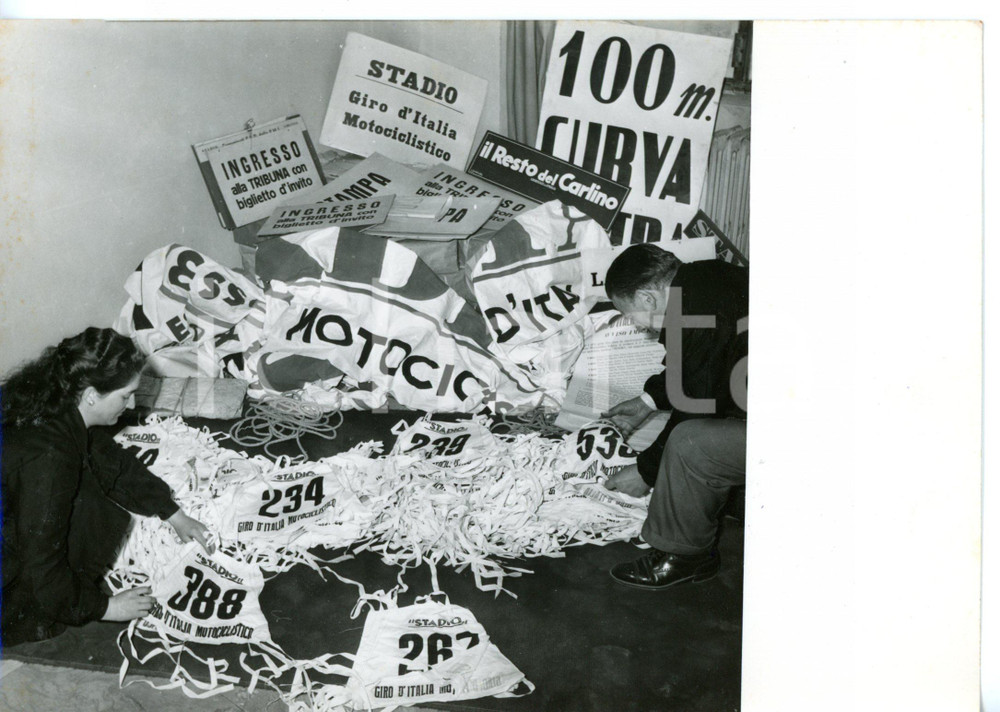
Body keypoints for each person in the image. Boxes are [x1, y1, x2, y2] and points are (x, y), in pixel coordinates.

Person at [1, 327, 213, 646]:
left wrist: (171, 512)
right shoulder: (50, 460)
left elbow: (110, 460)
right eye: (125, 395)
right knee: (89, 515)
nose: (129, 405)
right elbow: (41, 568)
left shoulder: (57, 401)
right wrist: (107, 607)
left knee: (90, 488)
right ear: (91, 395)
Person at [602, 245, 748, 590]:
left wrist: (645, 470)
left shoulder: (693, 311)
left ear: (647, 298)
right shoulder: (707, 279)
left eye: (630, 314)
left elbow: (696, 407)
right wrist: (646, 402)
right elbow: (703, 365)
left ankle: (684, 556)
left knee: (691, 445)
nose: (637, 327)